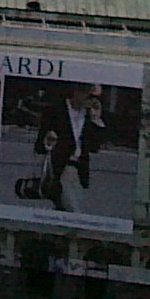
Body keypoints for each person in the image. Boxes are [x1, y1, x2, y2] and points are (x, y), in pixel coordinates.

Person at [36, 82, 105, 213]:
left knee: (64, 211)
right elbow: (40, 145)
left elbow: (94, 147)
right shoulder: (55, 111)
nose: (92, 101)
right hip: (60, 169)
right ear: (77, 91)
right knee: (74, 211)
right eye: (89, 96)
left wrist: (96, 119)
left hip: (78, 171)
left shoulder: (88, 116)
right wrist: (48, 141)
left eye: (96, 99)